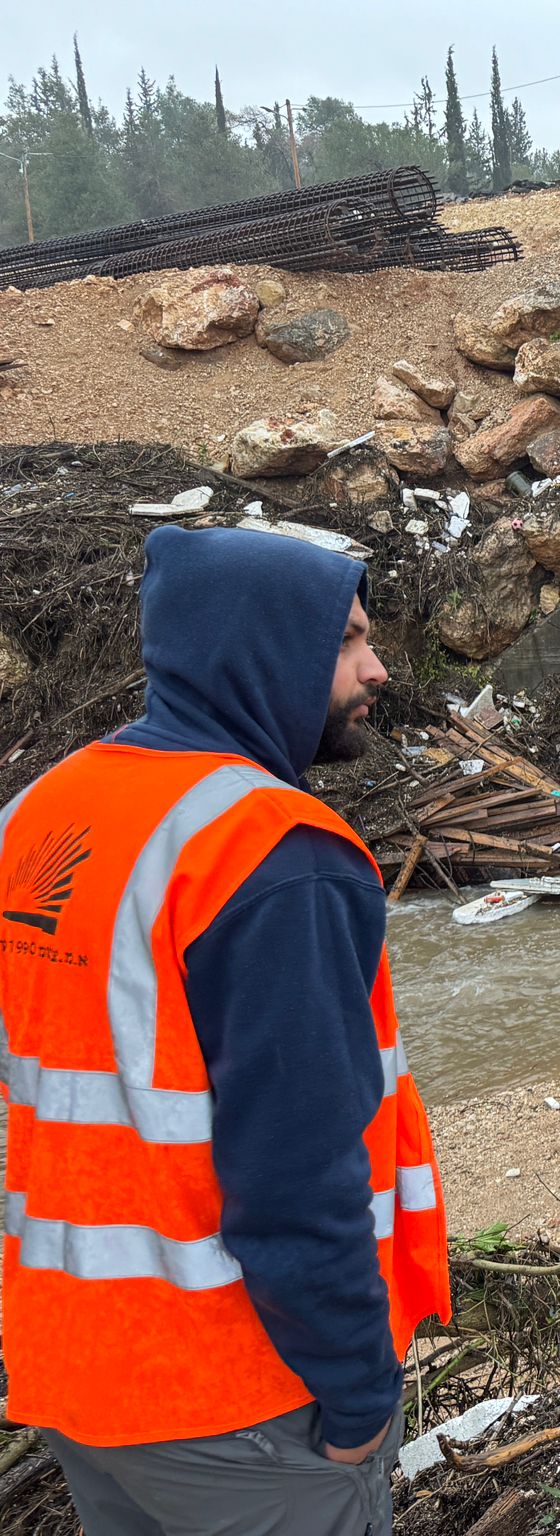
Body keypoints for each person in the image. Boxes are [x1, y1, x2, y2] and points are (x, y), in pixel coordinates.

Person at [0, 525, 452, 1536]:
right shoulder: (270, 855)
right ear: (264, 651)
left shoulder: (42, 813)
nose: (377, 668)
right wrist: (357, 1394)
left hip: (75, 1366)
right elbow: (297, 1171)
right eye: (346, 640)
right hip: (235, 1395)